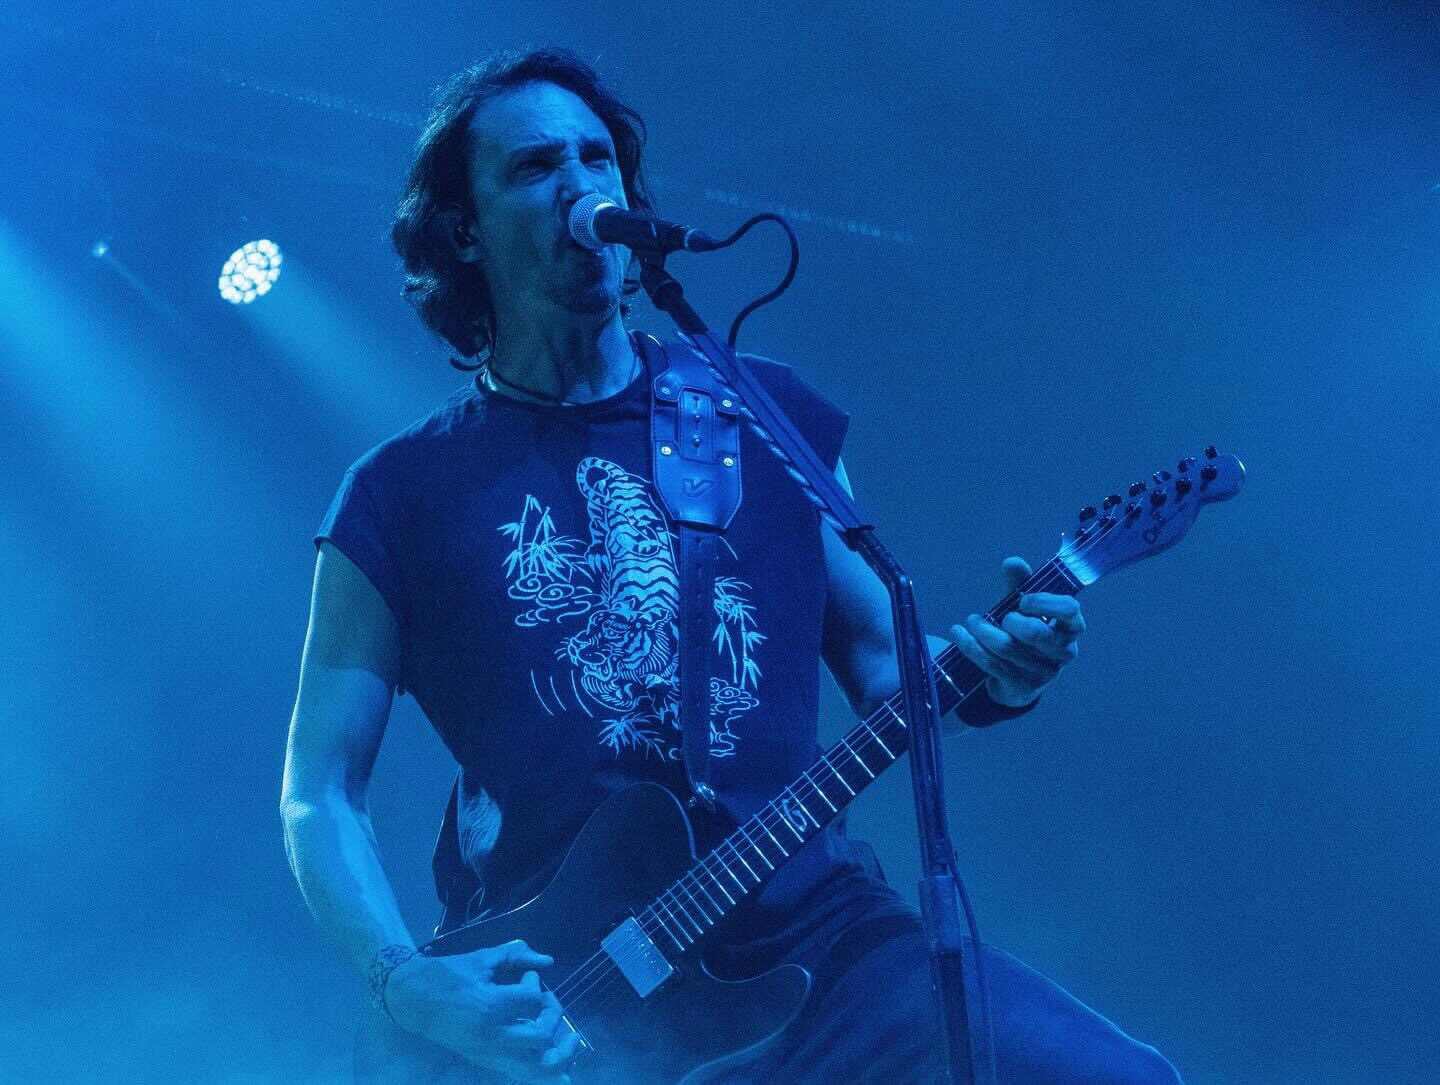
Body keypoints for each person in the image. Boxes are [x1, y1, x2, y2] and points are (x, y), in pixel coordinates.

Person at [280, 47, 1182, 1084]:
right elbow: (318, 788)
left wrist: (999, 671)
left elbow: (883, 659)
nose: (580, 184)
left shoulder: (757, 411)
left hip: (824, 937)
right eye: (534, 166)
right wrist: (403, 979)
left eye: (597, 157)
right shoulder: (398, 493)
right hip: (567, 999)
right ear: (463, 232)